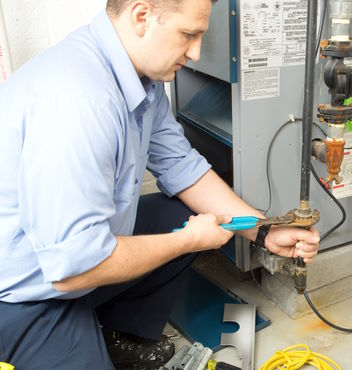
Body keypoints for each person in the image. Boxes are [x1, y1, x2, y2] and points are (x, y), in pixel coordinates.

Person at [0, 0, 320, 369]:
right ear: (142, 17)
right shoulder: (79, 99)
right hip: (25, 294)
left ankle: (117, 335)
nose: (197, 52)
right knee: (185, 231)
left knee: (180, 212)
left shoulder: (141, 80)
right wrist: (186, 241)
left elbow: (182, 167)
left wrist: (263, 231)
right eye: (189, 34)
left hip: (72, 258)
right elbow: (72, 266)